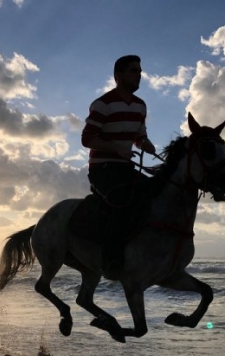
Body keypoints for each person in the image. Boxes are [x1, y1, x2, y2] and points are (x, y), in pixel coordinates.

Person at [81, 55, 156, 276]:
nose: (138, 75)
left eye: (139, 71)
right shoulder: (103, 104)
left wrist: (146, 145)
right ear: (118, 76)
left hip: (125, 168)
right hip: (102, 169)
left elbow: (139, 136)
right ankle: (111, 260)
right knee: (121, 200)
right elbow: (87, 139)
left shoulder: (140, 106)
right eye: (133, 71)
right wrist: (115, 148)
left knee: (155, 192)